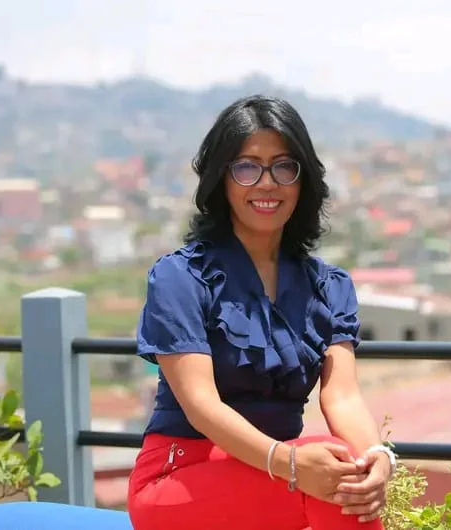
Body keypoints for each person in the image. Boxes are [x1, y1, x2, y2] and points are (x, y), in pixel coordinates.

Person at [127, 95, 395, 530]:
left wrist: (375, 457)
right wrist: (288, 462)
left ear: (303, 179)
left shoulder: (329, 286)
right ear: (223, 180)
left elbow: (342, 395)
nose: (266, 183)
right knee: (331, 482)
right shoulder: (180, 277)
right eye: (247, 167)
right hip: (179, 478)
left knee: (347, 466)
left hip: (279, 479)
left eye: (284, 166)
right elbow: (201, 406)